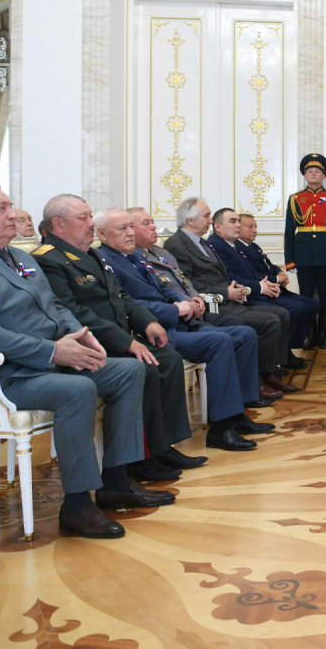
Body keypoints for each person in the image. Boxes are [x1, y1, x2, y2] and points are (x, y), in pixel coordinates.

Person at [0, 182, 160, 539]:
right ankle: (76, 506)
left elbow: (55, 306)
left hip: (38, 366)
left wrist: (82, 335)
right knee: (76, 390)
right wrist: (54, 351)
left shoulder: (20, 257)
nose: (12, 214)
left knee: (128, 371)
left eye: (10, 206)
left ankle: (116, 481)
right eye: (0, 209)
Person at [34, 194, 200, 483]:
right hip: (95, 345)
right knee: (148, 367)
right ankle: (140, 458)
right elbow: (74, 313)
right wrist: (128, 343)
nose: (90, 224)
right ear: (58, 225)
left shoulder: (92, 254)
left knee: (169, 359)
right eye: (83, 218)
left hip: (118, 338)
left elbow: (120, 297)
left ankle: (162, 447)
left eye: (90, 217)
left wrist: (147, 321)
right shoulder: (49, 259)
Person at [95, 207, 269, 451]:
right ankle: (220, 429)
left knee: (244, 333)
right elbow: (128, 303)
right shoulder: (105, 261)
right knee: (220, 341)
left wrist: (183, 300)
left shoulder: (135, 257)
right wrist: (174, 310)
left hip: (179, 321)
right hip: (159, 330)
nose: (131, 233)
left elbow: (162, 287)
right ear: (102, 234)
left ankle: (235, 414)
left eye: (132, 227)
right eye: (124, 228)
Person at [128, 205, 281, 406]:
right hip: (170, 322)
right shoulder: (155, 251)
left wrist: (193, 297)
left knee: (246, 332)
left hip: (194, 310)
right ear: (190, 220)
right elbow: (141, 298)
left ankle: (248, 394)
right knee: (229, 334)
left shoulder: (159, 251)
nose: (155, 227)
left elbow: (182, 280)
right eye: (146, 224)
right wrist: (185, 303)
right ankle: (230, 414)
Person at [165, 197, 301, 396]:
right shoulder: (177, 244)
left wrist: (235, 288)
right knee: (269, 320)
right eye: (206, 216)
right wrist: (225, 292)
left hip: (231, 299)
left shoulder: (201, 242)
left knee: (280, 314)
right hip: (216, 306)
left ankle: (267, 373)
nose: (211, 221)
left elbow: (221, 274)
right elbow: (188, 283)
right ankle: (257, 380)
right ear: (190, 220)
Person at [283, 153, 326, 348]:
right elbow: (288, 230)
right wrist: (290, 259)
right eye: (310, 170)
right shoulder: (295, 199)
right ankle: (309, 335)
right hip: (303, 255)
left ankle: (322, 336)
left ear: (323, 175)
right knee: (306, 298)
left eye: (317, 171)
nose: (313, 173)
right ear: (304, 174)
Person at [235, 212, 319, 352]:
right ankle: (285, 352)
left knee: (312, 304)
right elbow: (253, 274)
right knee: (297, 308)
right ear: (238, 228)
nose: (255, 230)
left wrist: (280, 273)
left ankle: (290, 346)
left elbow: (268, 265)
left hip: (276, 288)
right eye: (250, 227)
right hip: (262, 292)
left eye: (255, 226)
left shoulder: (253, 246)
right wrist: (276, 279)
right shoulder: (238, 247)